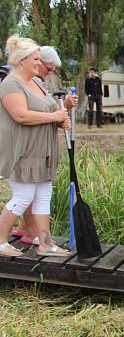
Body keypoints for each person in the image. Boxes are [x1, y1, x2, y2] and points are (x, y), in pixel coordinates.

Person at [0, 35, 73, 257]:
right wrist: (54, 117)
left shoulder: (38, 83)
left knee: (43, 196)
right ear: (22, 59)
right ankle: (0, 240)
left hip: (44, 150)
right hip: (24, 150)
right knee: (23, 196)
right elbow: (20, 115)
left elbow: (50, 110)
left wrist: (62, 117)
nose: (39, 64)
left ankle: (45, 243)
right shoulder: (10, 84)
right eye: (35, 59)